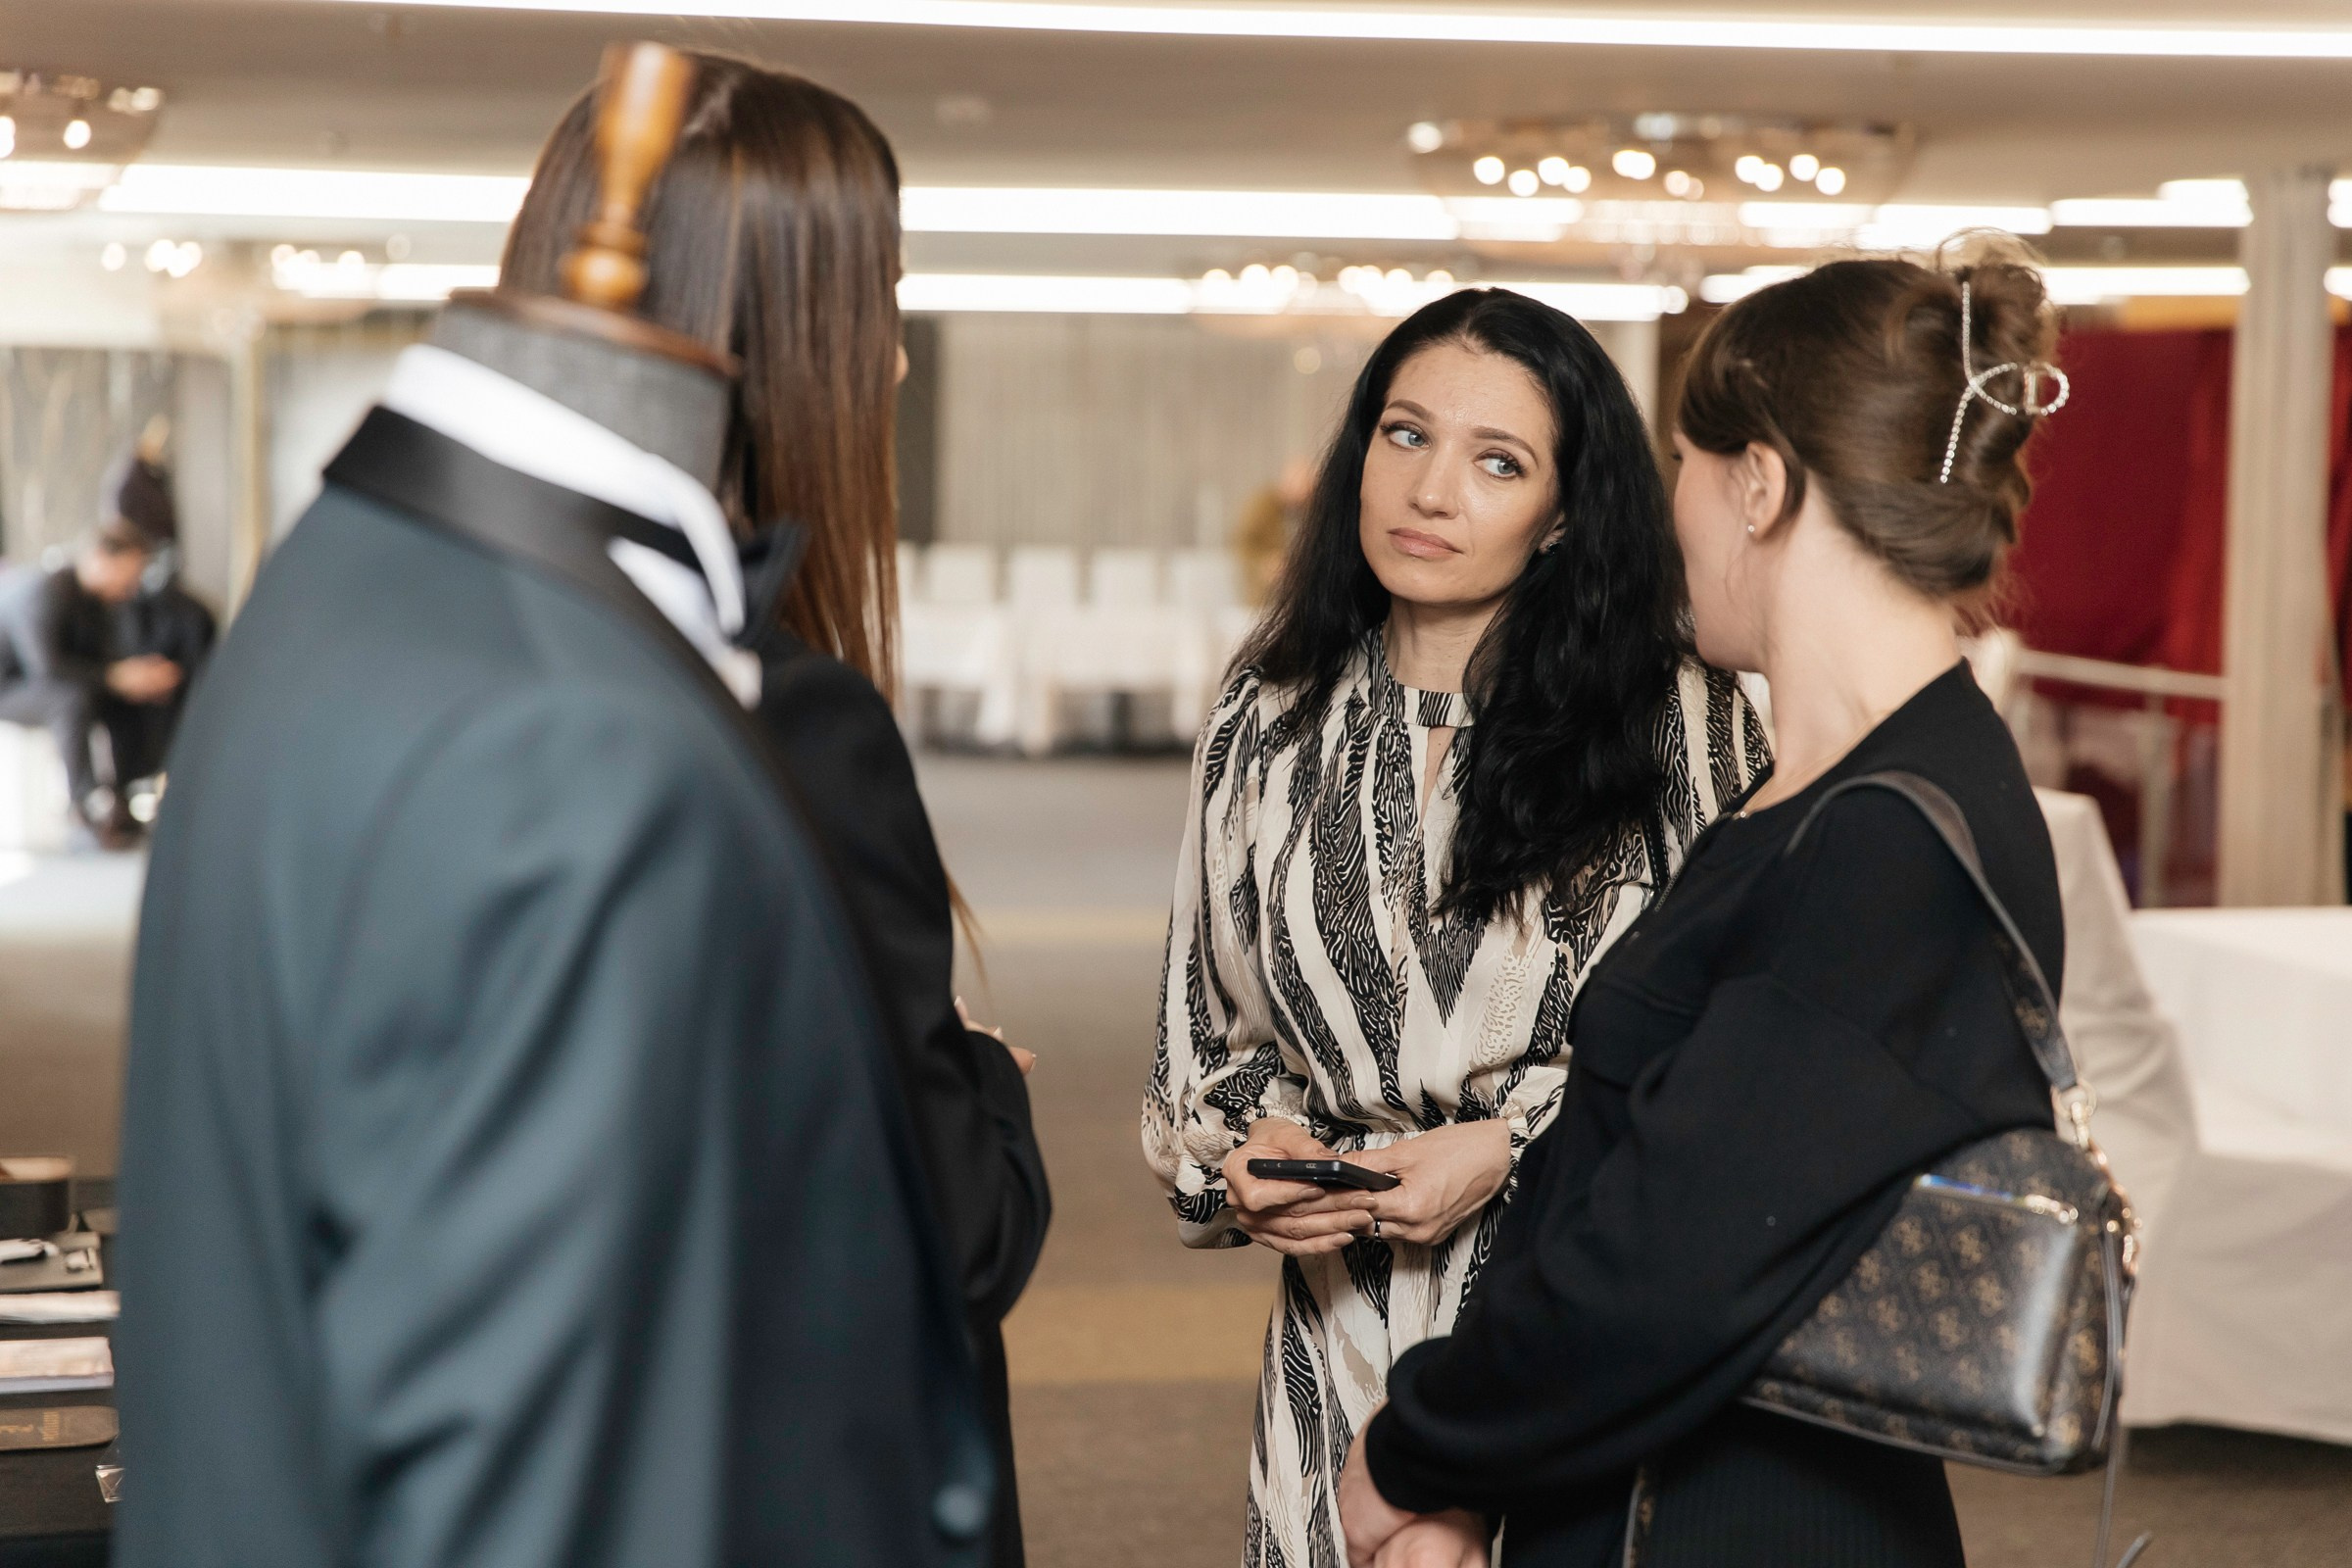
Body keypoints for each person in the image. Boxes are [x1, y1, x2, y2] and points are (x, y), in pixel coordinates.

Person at [113, 47, 994, 1568]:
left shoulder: (344, 582)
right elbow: (554, 1491)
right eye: (887, 300)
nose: (895, 355)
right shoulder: (580, 741)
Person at [1340, 252, 2073, 1568]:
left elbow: (1669, 1266)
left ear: (1761, 484)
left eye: (1685, 459)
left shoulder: (1892, 840)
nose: (1666, 506)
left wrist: (1419, 1451)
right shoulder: (1824, 789)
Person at [499, 58, 1052, 1568]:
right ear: (780, 343)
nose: (890, 367)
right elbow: (956, 1241)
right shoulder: (789, 722)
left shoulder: (453, 649)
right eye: (873, 307)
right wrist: (982, 1087)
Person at [1143, 287, 1767, 1565]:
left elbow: (1739, 1056)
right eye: (1405, 436)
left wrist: (1510, 1141)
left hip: (1578, 1321)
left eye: (1498, 463)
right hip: (1338, 1336)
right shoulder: (1272, 715)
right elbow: (1204, 1046)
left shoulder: (1678, 720)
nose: (1430, 492)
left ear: (1565, 515)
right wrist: (1249, 1162)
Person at [0, 520, 180, 847]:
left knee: (129, 696)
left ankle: (123, 795)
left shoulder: (100, 603)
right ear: (102, 558)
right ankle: (82, 806)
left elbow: (104, 664)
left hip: (53, 684)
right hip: (10, 687)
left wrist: (135, 677)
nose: (133, 583)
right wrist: (117, 677)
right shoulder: (47, 591)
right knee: (71, 700)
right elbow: (46, 668)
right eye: (131, 571)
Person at [103, 416, 220, 713]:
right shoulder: (129, 487)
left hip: (162, 587)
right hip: (147, 595)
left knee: (197, 623)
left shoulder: (153, 479)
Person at [1234, 454, 1317, 604]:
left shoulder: (1314, 510)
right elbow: (1242, 544)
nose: (1303, 496)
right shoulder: (1262, 507)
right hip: (1264, 596)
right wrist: (1264, 563)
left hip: (1301, 597)